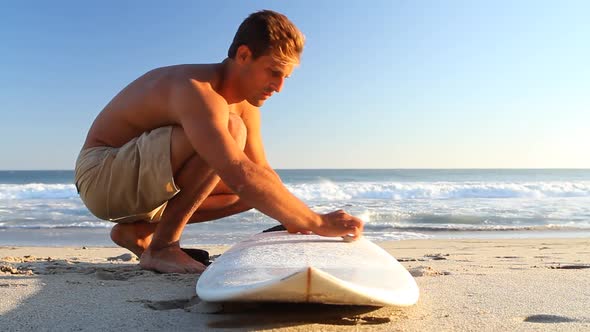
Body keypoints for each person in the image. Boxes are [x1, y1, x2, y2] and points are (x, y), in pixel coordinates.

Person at [74, 10, 364, 274]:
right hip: (101, 174)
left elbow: (260, 172)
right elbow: (237, 170)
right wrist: (316, 222)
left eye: (286, 77)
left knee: (255, 190)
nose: (279, 87)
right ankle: (163, 248)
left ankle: (137, 233)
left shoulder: (246, 105)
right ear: (243, 55)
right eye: (274, 72)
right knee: (231, 135)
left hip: (137, 182)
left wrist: (296, 218)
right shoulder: (198, 90)